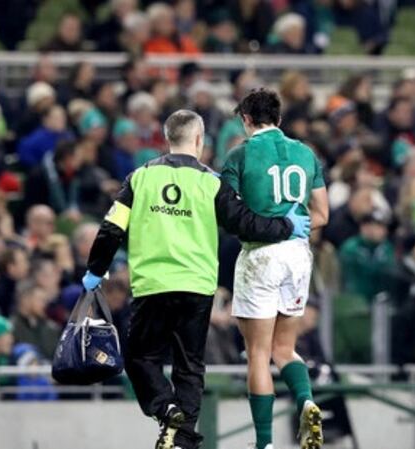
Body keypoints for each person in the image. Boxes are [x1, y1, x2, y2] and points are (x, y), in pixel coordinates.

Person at [82, 109, 309, 449]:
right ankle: (183, 441)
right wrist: (287, 226)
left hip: (153, 285)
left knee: (140, 359)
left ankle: (165, 408)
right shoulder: (211, 182)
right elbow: (244, 223)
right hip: (198, 288)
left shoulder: (140, 178)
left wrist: (96, 269)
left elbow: (111, 227)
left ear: (167, 138)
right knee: (190, 368)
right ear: (200, 140)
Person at [221, 88, 329, 449]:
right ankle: (307, 401)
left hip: (260, 255)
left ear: (246, 120)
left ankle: (264, 442)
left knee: (258, 354)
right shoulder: (306, 154)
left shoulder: (239, 155)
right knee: (286, 349)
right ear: (279, 119)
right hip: (298, 254)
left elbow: (229, 214)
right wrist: (294, 224)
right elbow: (323, 215)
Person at [10, 283, 60, 360]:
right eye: (40, 300)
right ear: (25, 300)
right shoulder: (11, 328)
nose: (44, 304)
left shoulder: (52, 329)